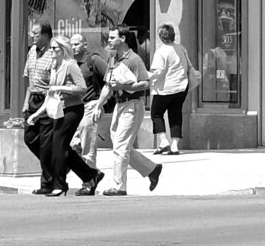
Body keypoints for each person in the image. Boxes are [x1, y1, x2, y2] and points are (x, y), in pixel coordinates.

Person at [22, 22, 103, 197]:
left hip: (73, 109)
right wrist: (36, 114)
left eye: (55, 49)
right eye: (51, 49)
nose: (52, 52)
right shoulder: (54, 67)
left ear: (63, 50)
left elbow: (81, 88)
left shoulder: (70, 65)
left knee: (58, 145)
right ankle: (90, 174)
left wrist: (62, 89)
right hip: (57, 108)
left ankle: (59, 184)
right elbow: (52, 96)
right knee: (57, 145)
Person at [94, 25, 161, 196]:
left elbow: (145, 83)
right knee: (121, 146)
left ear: (122, 39)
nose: (108, 40)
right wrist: (98, 105)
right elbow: (109, 85)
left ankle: (119, 186)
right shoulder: (113, 59)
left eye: (111, 37)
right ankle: (151, 169)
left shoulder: (134, 60)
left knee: (121, 147)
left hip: (132, 105)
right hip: (119, 104)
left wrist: (124, 86)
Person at [148, 23, 191, 155]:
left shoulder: (161, 51)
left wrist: (146, 75)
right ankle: (175, 146)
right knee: (176, 114)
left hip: (165, 89)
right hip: (181, 87)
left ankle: (163, 141)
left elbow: (158, 71)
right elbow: (189, 65)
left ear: (161, 37)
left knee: (156, 113)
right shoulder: (181, 48)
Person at [69, 33, 108, 173]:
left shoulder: (94, 60)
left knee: (87, 146)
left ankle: (90, 179)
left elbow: (110, 79)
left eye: (77, 44)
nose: (73, 47)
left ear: (85, 45)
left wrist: (100, 103)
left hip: (91, 105)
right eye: (71, 44)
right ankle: (88, 175)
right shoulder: (70, 63)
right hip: (75, 107)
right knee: (73, 145)